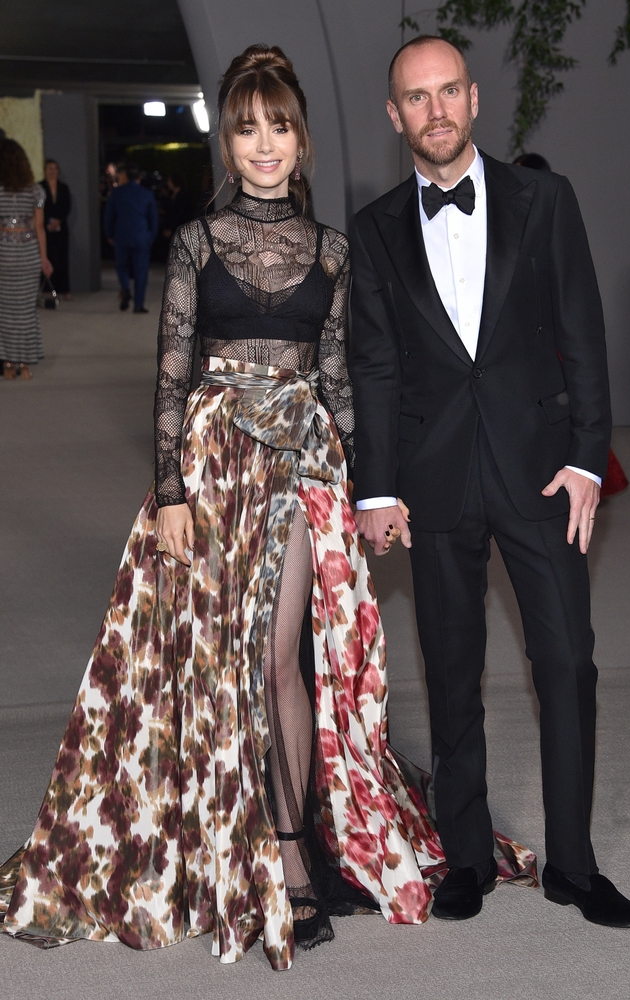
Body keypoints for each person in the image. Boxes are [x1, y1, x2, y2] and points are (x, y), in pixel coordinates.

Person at [0, 45, 534, 970]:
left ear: (300, 139)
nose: (262, 144)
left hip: (299, 466)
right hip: (211, 466)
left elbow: (338, 381)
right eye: (246, 128)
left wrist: (369, 487)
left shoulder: (332, 250)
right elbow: (170, 380)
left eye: (277, 126)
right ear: (229, 143)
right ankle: (220, 834)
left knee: (281, 656)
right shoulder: (196, 243)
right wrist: (169, 493)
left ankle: (287, 851)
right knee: (216, 661)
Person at [349, 36, 630, 928]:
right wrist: (375, 488)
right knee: (450, 671)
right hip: (431, 479)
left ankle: (574, 867)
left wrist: (587, 458)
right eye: (416, 97)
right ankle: (466, 857)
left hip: (541, 472)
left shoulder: (543, 199)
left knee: (567, 663)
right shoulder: (374, 229)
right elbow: (374, 367)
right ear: (394, 114)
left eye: (448, 91)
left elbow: (583, 331)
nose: (434, 110)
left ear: (473, 98)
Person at [512, 153, 629, 499]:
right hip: (528, 332)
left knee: (570, 402)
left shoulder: (552, 211)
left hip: (551, 332)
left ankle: (583, 468)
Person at [0, 138, 53, 380]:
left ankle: (8, 364)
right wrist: (44, 258)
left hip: (4, 253)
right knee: (25, 311)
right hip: (28, 252)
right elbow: (39, 226)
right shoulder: (35, 190)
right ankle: (24, 363)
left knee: (5, 311)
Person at [104, 162, 158, 313]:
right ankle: (138, 304)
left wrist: (109, 233)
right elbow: (153, 218)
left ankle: (126, 288)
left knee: (122, 266)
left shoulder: (116, 193)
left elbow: (109, 216)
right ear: (138, 177)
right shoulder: (146, 194)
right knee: (141, 271)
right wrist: (151, 235)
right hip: (141, 236)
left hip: (121, 235)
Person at [40, 158, 72, 299]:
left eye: (54, 168)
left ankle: (64, 289)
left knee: (62, 258)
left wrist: (58, 220)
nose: (52, 171)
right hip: (44, 228)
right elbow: (38, 208)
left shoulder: (63, 188)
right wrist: (48, 221)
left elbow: (67, 206)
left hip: (61, 228)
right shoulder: (39, 187)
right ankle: (47, 289)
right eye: (49, 168)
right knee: (47, 257)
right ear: (45, 171)